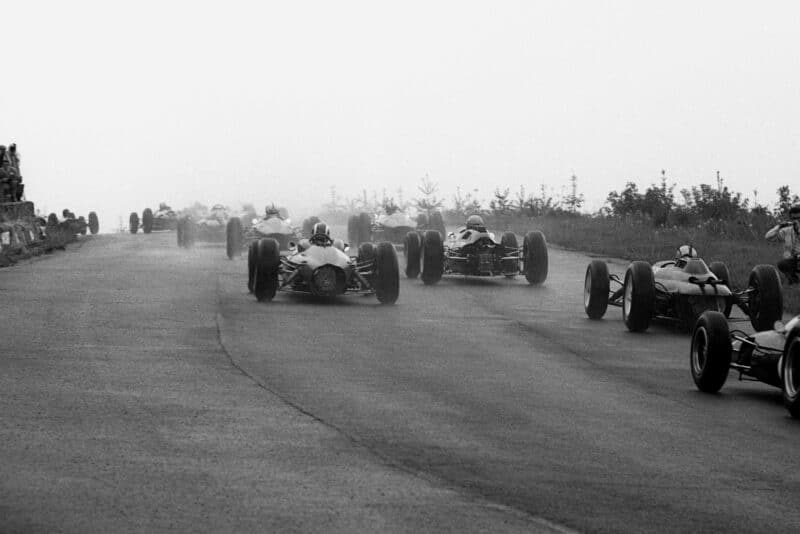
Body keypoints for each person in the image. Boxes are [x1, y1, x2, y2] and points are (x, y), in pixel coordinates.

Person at [765, 205, 800, 284]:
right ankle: (794, 281)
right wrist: (779, 226)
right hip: (794, 259)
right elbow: (768, 237)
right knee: (782, 264)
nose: (797, 220)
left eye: (799, 218)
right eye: (794, 218)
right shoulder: (787, 231)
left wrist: (798, 231)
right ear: (791, 219)